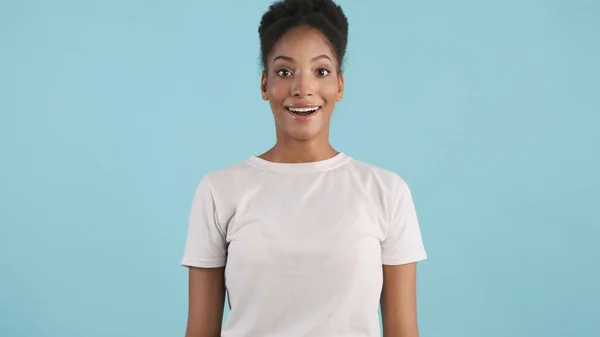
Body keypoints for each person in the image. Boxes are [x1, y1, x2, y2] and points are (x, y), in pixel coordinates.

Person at [181, 0, 427, 336]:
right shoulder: (219, 191)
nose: (302, 88)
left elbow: (402, 331)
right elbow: (200, 331)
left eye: (321, 71)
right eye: (285, 72)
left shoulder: (387, 192)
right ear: (264, 84)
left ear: (339, 85)